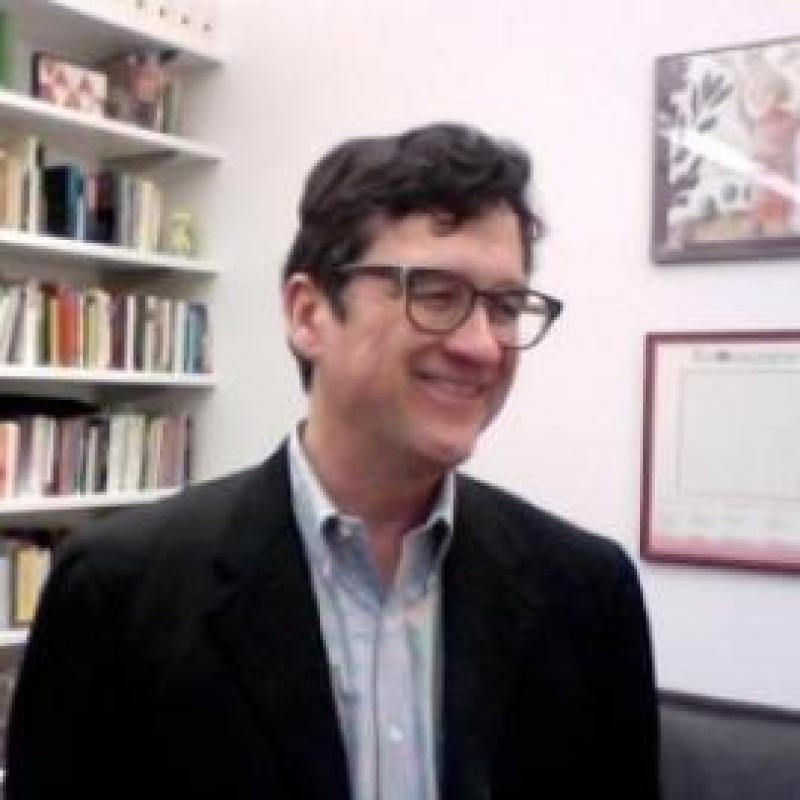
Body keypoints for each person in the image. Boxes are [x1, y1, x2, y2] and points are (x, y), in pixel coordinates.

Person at [6, 123, 659, 799]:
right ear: (309, 313)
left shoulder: (587, 593)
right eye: (436, 294)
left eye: (505, 306)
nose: (483, 346)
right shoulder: (120, 590)